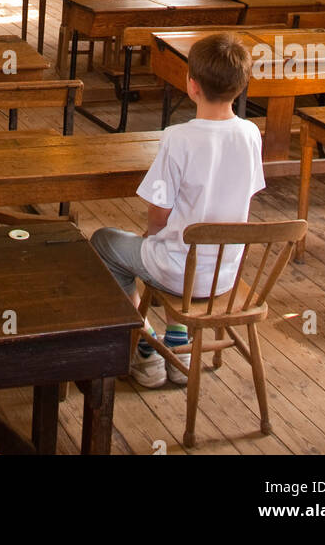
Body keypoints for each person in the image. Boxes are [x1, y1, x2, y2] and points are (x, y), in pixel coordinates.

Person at [90, 31, 264, 389]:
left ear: (192, 84)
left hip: (176, 268)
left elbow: (159, 212)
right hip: (224, 273)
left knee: (104, 242)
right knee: (184, 250)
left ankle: (146, 347)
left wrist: (152, 238)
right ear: (242, 86)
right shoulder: (250, 134)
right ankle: (178, 342)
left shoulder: (178, 138)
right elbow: (245, 196)